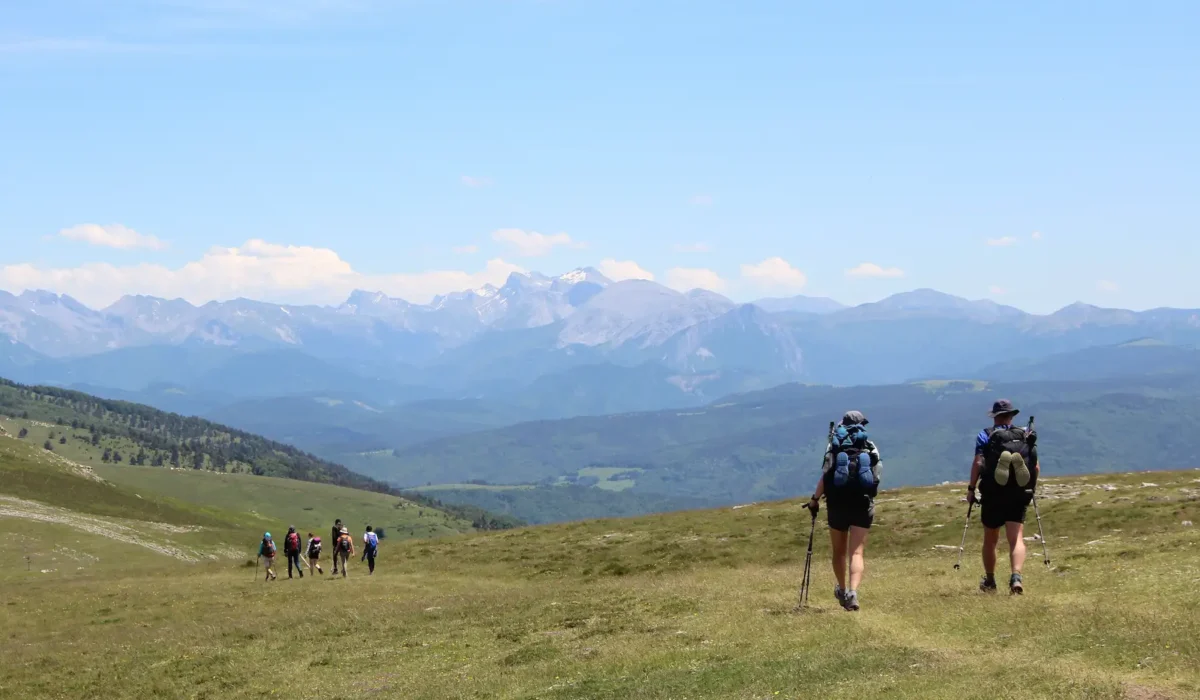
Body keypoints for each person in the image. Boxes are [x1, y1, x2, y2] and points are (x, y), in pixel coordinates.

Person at [805, 410, 881, 611]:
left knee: (839, 551)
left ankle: (841, 588)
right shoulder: (870, 447)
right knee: (856, 552)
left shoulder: (834, 448)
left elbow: (824, 477)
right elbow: (876, 476)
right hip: (862, 504)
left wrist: (814, 501)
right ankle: (853, 593)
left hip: (837, 504)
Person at [969, 399, 1039, 595]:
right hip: (1018, 491)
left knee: (991, 539)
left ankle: (990, 580)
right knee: (1016, 538)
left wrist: (971, 488)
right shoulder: (1025, 434)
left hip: (993, 492)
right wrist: (1031, 487)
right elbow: (1035, 466)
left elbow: (977, 463)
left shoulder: (986, 435)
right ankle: (1016, 576)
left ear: (995, 416)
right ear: (1011, 416)